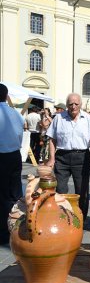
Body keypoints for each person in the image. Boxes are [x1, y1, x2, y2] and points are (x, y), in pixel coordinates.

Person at [46, 93, 90, 221]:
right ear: (67, 105)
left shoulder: (87, 118)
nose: (73, 106)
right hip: (62, 157)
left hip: (82, 157)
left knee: (82, 190)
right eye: (70, 104)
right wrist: (52, 158)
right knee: (60, 188)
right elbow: (52, 139)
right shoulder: (59, 118)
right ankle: (62, 217)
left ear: (80, 105)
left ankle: (80, 217)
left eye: (76, 104)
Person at [0, 84, 24, 244]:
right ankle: (16, 226)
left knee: (2, 195)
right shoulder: (15, 113)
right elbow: (20, 134)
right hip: (14, 155)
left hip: (1, 156)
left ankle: (3, 231)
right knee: (14, 193)